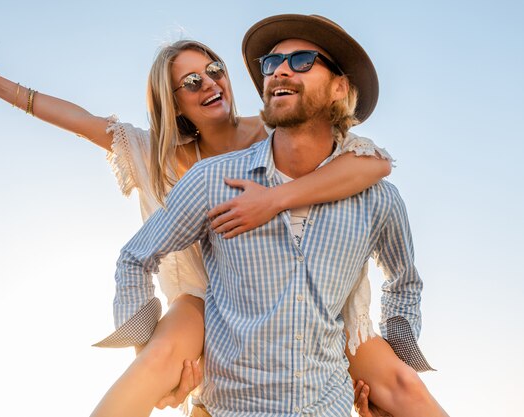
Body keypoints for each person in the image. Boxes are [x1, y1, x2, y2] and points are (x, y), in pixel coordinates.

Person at [102, 13, 450, 417]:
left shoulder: (376, 197)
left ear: (340, 87)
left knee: (410, 392)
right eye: (271, 63)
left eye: (302, 60)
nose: (279, 69)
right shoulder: (212, 180)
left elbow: (404, 283)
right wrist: (147, 355)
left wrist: (395, 362)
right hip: (228, 402)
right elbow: (134, 257)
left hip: (329, 405)